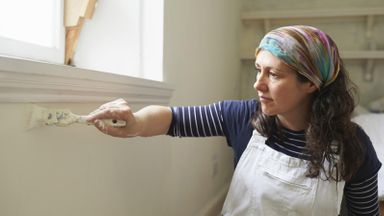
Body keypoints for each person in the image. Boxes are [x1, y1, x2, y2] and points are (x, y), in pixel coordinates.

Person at [87, 25, 381, 215]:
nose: (258, 84)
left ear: (311, 83)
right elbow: (173, 119)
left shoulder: (353, 144)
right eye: (258, 70)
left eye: (274, 74)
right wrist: (136, 122)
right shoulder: (244, 117)